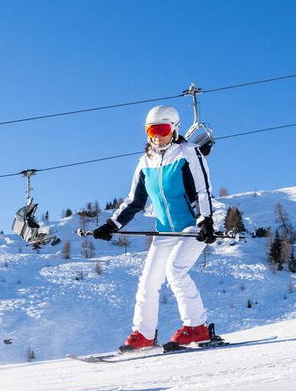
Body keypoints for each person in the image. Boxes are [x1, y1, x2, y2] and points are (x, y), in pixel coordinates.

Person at [92, 105, 220, 351]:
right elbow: (134, 201)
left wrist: (205, 220)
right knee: (148, 282)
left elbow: (202, 190)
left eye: (162, 129)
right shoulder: (145, 161)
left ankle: (197, 327)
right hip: (164, 230)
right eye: (152, 130)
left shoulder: (188, 153)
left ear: (174, 129)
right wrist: (112, 224)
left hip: (192, 227)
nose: (157, 136)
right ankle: (144, 334)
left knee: (176, 271)